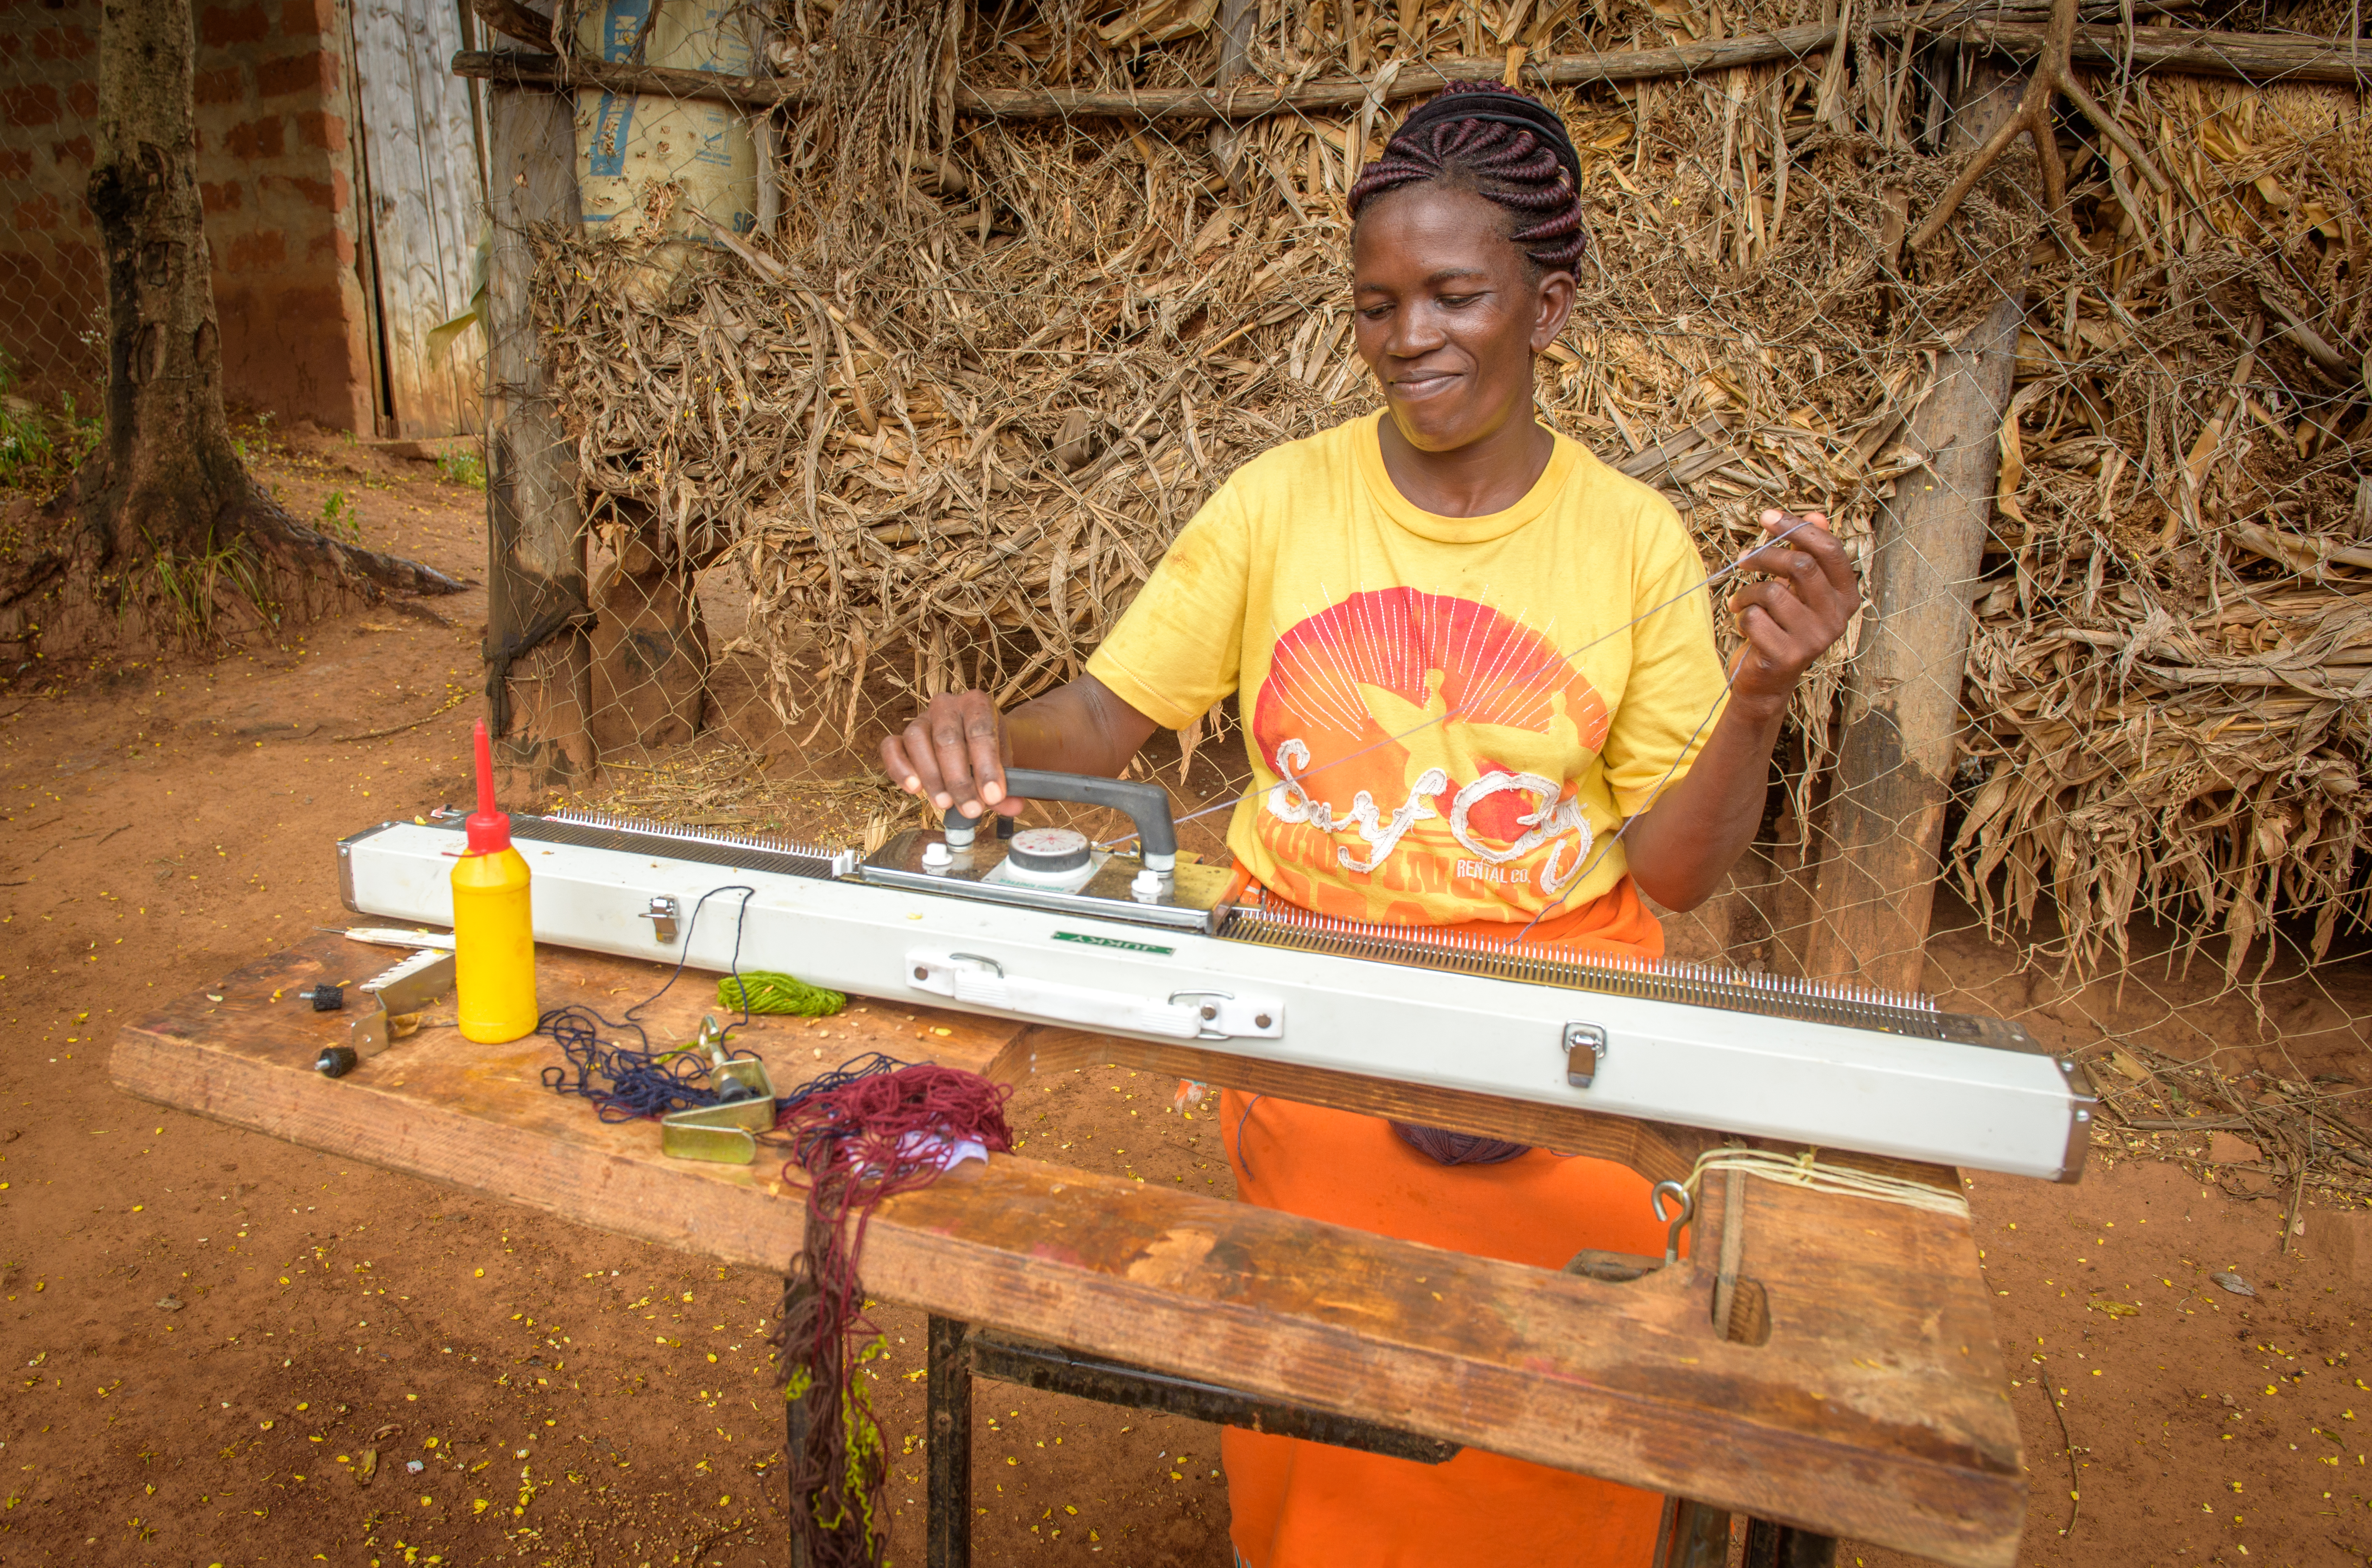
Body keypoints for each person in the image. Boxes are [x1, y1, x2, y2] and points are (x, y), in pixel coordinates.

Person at [878, 79, 1859, 1568]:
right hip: (1308, 1019)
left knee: (1563, 1390)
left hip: (1559, 1026)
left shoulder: (1631, 545)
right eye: (1378, 303)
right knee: (1334, 1383)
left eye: (1456, 295)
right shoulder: (1278, 506)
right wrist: (979, 727)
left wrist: (1761, 699)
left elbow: (1669, 864)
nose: (1413, 339)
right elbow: (1096, 722)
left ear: (1550, 304)